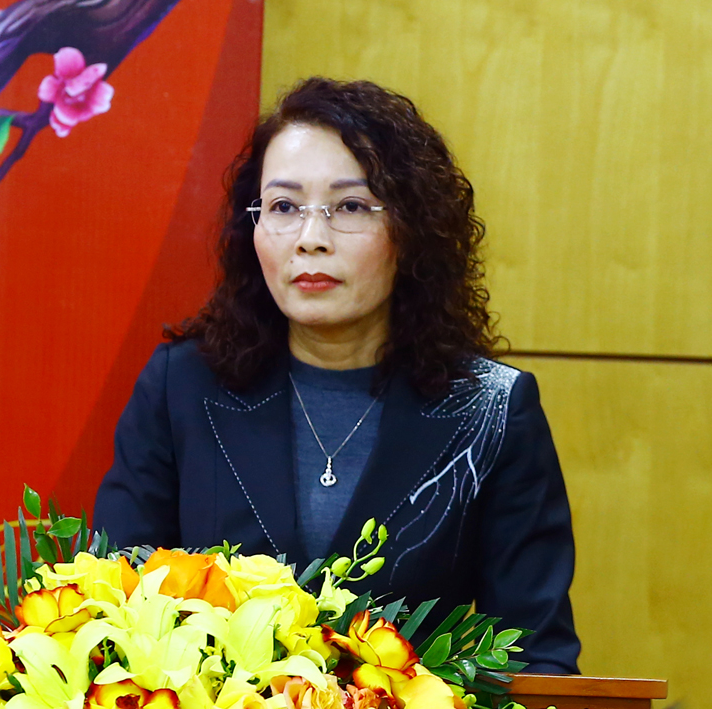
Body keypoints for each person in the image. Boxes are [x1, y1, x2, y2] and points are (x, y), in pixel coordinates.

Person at [93, 77, 580, 674]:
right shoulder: (182, 388)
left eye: (349, 207)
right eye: (284, 207)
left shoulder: (491, 411)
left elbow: (537, 658)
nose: (311, 240)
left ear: (411, 230)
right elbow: (111, 615)